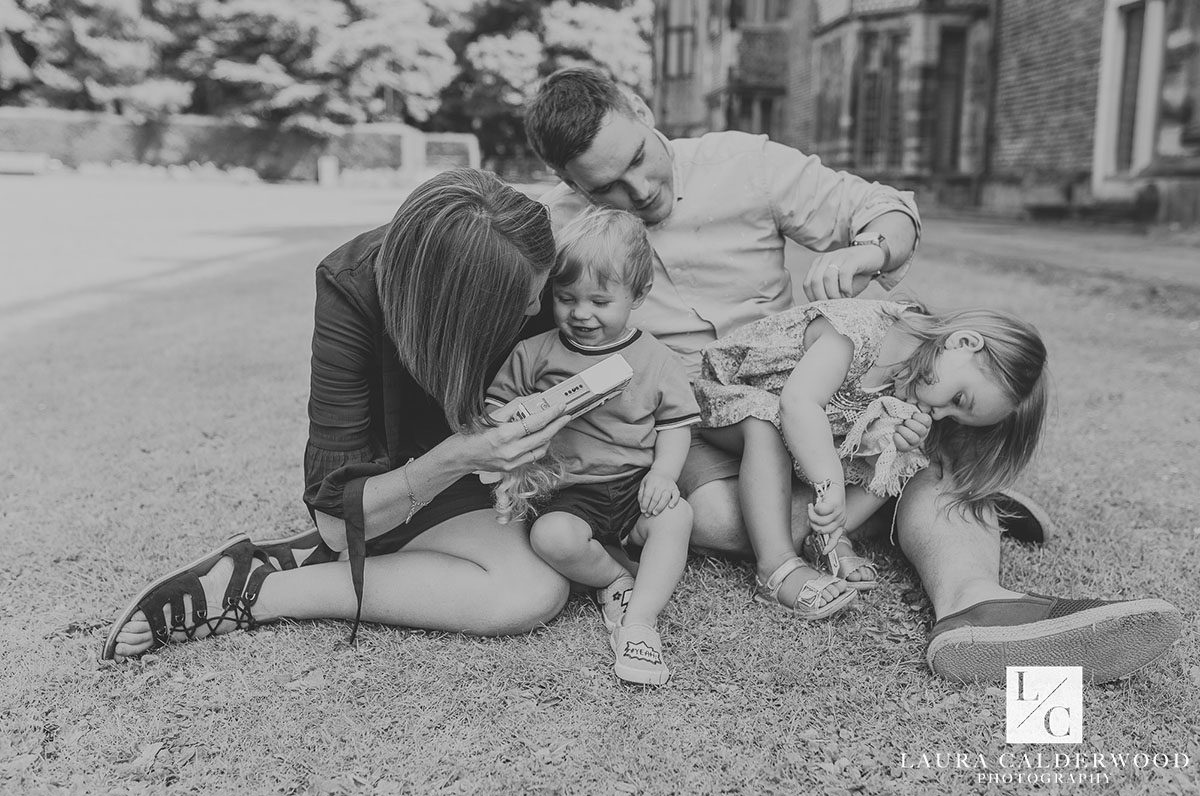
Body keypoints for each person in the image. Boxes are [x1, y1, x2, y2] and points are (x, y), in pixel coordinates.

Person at [523, 67, 1182, 684]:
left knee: (911, 431)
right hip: (697, 426)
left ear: (640, 109)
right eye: (603, 186)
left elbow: (882, 208)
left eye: (638, 158)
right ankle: (932, 507)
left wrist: (869, 248)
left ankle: (974, 605)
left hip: (802, 393)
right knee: (719, 517)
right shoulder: (555, 228)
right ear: (565, 181)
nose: (637, 192)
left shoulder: (744, 164)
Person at [102, 168, 575, 660]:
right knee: (527, 593)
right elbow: (335, 514)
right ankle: (256, 590)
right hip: (407, 473)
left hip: (486, 478)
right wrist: (459, 456)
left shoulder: (529, 264)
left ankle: (361, 545)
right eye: (521, 307)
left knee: (559, 559)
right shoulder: (351, 288)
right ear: (459, 310)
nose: (539, 309)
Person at [695, 299, 1047, 619]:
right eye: (957, 398)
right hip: (731, 398)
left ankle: (831, 536)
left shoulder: (912, 378)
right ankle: (775, 565)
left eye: (953, 415)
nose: (940, 414)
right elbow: (799, 403)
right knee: (765, 424)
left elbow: (859, 435)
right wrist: (828, 481)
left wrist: (895, 445)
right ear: (962, 343)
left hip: (807, 433)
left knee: (906, 454)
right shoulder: (857, 331)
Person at [486, 207, 699, 685]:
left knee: (677, 517)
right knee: (550, 539)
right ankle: (613, 578)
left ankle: (640, 622)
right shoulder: (535, 352)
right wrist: (523, 410)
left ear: (638, 294)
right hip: (567, 490)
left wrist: (664, 475)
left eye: (600, 301)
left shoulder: (657, 358)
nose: (580, 314)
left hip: (634, 485)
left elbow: (675, 425)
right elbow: (497, 409)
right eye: (565, 298)